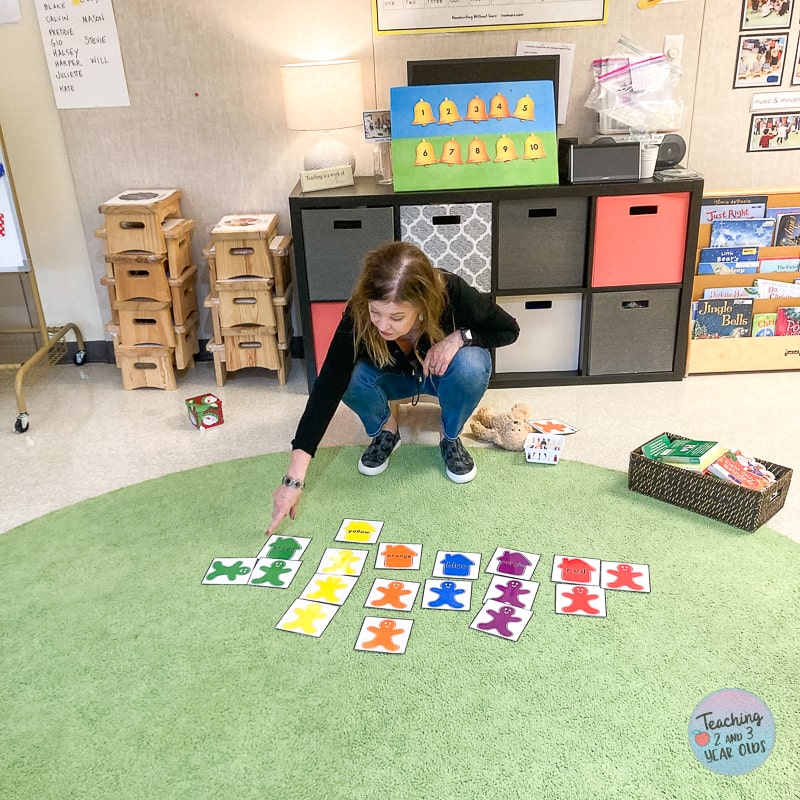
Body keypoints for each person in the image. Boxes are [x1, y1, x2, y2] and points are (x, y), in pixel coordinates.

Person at [266, 241, 520, 534]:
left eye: (396, 317)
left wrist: (460, 337)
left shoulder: (453, 292)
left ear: (422, 304)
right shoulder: (359, 311)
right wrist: (293, 480)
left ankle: (449, 436)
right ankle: (386, 431)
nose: (383, 326)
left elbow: (509, 329)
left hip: (441, 374)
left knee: (473, 364)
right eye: (377, 313)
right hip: (395, 377)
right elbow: (328, 385)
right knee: (347, 375)